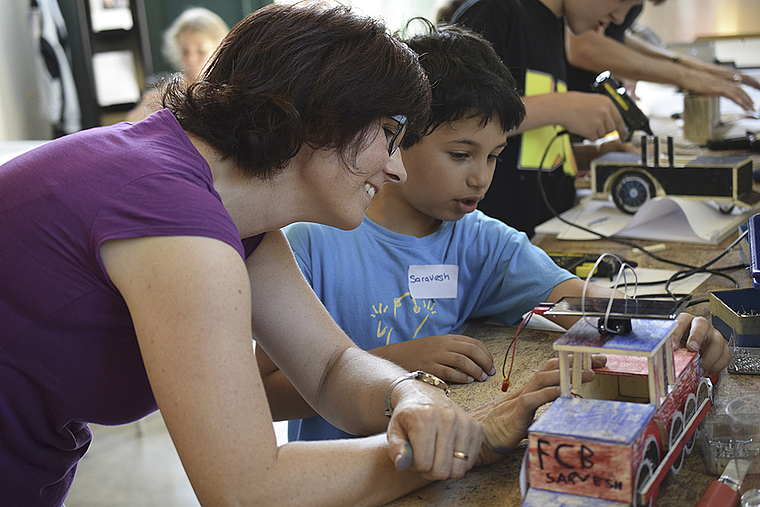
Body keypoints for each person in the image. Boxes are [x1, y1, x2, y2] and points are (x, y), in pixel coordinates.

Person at [0, 4, 595, 506]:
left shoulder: (231, 212)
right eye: (389, 136)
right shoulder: (177, 224)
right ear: (323, 118)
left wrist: (407, 393)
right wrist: (460, 446)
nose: (393, 165)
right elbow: (245, 489)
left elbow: (332, 367)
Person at [256, 20, 731, 443]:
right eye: (461, 155)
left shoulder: (479, 240)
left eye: (494, 155)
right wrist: (397, 360)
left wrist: (672, 332)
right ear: (395, 141)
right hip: (347, 481)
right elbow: (265, 394)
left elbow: (583, 303)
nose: (481, 177)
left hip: (445, 462)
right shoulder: (311, 243)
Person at [448, 0, 654, 237]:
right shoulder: (495, 10)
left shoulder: (554, 27)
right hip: (493, 243)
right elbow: (459, 122)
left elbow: (524, 150)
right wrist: (563, 106)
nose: (620, 18)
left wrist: (595, 155)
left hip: (546, 236)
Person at [565, 4, 760, 111]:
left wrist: (687, 65)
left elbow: (616, 36)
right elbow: (585, 46)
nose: (620, 18)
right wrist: (686, 76)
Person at [125, 7, 229, 122]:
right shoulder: (168, 90)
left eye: (201, 51)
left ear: (220, 49)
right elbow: (129, 123)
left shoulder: (227, 90)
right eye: (185, 51)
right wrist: (151, 105)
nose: (191, 58)